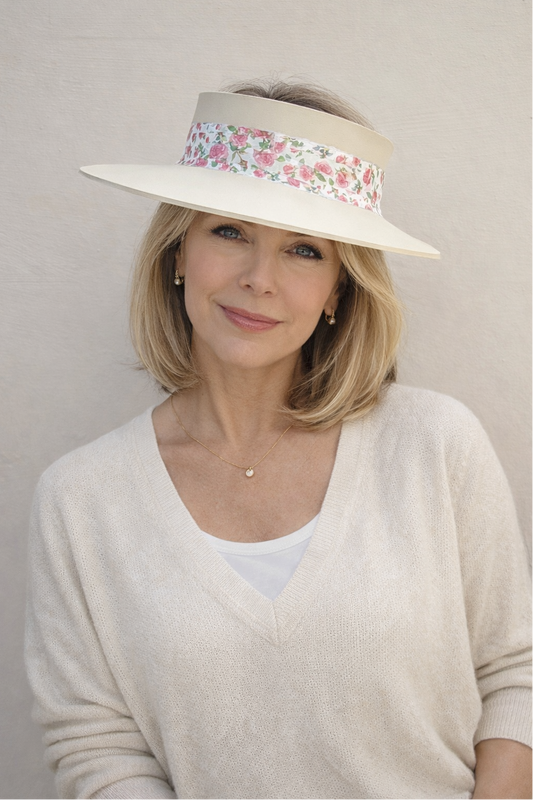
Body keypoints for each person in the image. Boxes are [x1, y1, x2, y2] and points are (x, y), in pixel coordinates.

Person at [25, 80, 533, 800]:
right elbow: (96, 745)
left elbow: (514, 676)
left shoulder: (433, 445)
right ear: (177, 252)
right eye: (229, 232)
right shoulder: (81, 499)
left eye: (303, 249)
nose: (259, 279)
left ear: (338, 291)